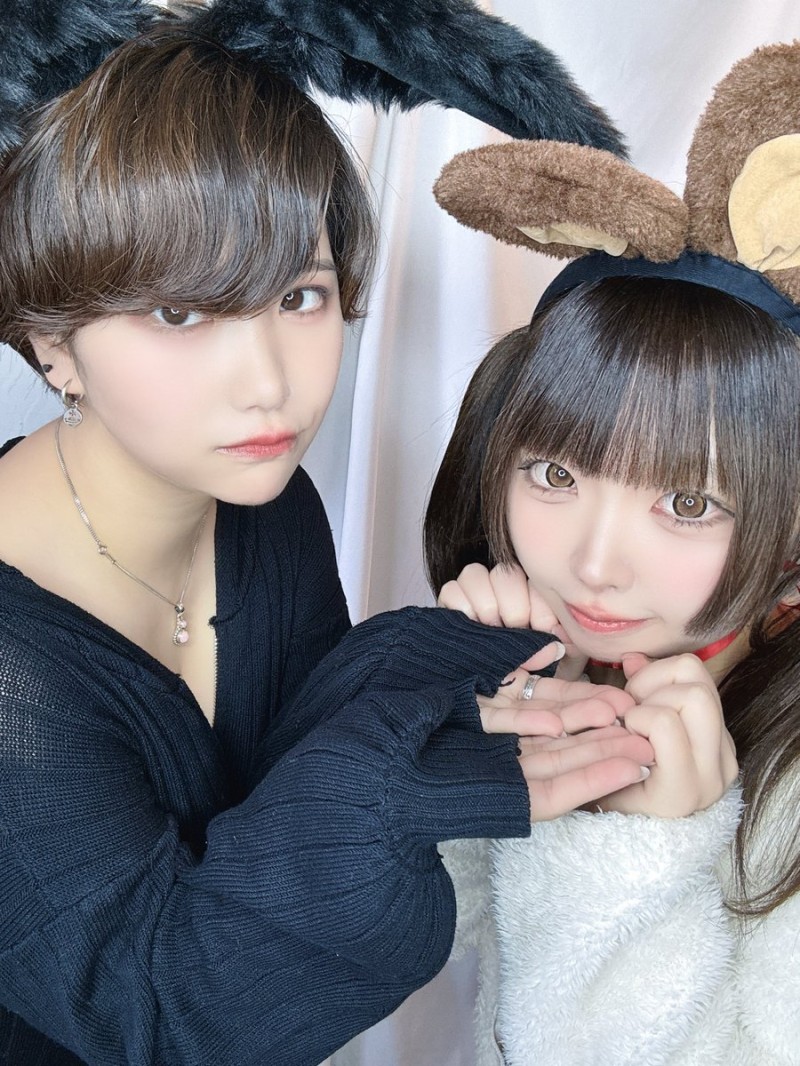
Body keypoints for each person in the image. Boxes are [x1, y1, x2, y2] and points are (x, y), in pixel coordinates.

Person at [0, 16, 655, 1065]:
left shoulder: (266, 506)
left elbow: (290, 767)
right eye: (180, 314)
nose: (270, 383)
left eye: (299, 296)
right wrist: (387, 793)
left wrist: (429, 674)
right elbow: (161, 1010)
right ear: (52, 345)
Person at [424, 37, 800, 1060]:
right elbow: (410, 957)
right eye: (555, 475)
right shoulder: (557, 658)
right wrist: (452, 734)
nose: (592, 564)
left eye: (685, 502)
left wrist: (647, 847)